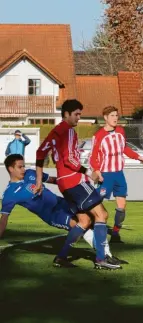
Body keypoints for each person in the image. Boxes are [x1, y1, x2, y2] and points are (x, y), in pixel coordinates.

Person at [35, 99, 120, 270]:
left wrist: (39, 180)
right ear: (66, 114)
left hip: (63, 183)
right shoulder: (69, 131)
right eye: (76, 114)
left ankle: (61, 257)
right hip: (74, 180)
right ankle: (101, 259)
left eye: (80, 114)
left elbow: (39, 153)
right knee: (101, 215)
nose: (79, 118)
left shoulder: (55, 131)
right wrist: (90, 173)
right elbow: (70, 160)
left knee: (84, 220)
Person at [0, 154, 125, 266]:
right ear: (11, 169)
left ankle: (103, 256)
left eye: (24, 166)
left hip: (63, 202)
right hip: (53, 214)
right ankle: (102, 256)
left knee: (93, 218)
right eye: (20, 167)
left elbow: (54, 180)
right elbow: (4, 219)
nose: (23, 169)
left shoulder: (31, 174)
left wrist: (71, 184)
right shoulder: (10, 194)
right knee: (84, 223)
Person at [89, 106, 143, 243]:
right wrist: (97, 171)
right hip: (106, 175)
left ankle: (115, 233)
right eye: (112, 116)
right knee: (96, 202)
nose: (115, 118)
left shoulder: (121, 131)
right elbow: (93, 156)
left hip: (119, 174)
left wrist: (138, 157)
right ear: (105, 118)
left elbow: (125, 149)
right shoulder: (98, 136)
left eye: (116, 115)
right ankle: (89, 223)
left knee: (122, 206)